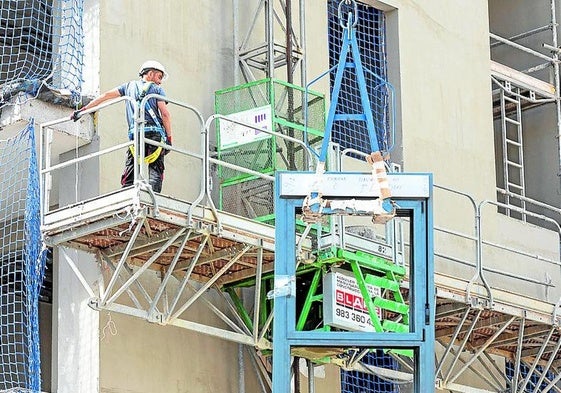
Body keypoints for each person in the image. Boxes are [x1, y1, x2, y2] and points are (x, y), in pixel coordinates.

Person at [71, 60, 173, 193]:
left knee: (130, 170)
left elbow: (106, 96)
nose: (160, 81)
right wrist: (169, 138)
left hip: (135, 136)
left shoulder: (128, 87)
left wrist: (83, 110)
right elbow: (165, 114)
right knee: (156, 171)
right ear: (151, 74)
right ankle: (154, 201)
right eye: (159, 77)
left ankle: (127, 195)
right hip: (154, 134)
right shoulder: (156, 89)